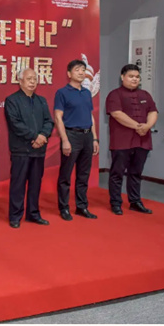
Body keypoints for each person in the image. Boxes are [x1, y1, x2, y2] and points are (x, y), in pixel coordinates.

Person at [4, 68, 54, 228]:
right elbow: (15, 124)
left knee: (35, 184)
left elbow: (49, 121)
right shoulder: (12, 100)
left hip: (38, 150)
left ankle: (33, 213)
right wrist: (35, 136)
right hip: (21, 149)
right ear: (20, 81)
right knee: (18, 184)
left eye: (34, 79)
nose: (32, 82)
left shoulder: (41, 100)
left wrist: (43, 135)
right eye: (29, 79)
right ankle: (15, 216)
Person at [106, 64, 158, 215]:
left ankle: (135, 201)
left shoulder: (145, 94)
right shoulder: (114, 94)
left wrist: (147, 126)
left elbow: (153, 112)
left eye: (137, 77)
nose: (134, 79)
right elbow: (117, 114)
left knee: (136, 173)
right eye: (131, 76)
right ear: (122, 77)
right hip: (121, 140)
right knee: (117, 173)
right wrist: (138, 126)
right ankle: (116, 202)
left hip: (142, 140)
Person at [54, 59, 100, 221]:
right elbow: (58, 117)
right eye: (77, 70)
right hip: (71, 135)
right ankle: (64, 208)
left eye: (83, 69)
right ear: (69, 74)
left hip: (87, 136)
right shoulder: (62, 92)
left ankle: (82, 206)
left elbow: (90, 116)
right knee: (65, 175)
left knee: (83, 174)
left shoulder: (86, 93)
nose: (81, 72)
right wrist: (65, 140)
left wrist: (95, 138)